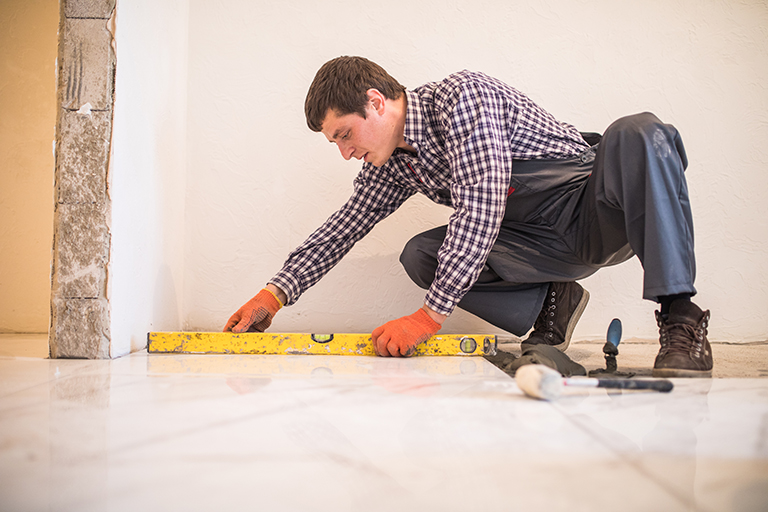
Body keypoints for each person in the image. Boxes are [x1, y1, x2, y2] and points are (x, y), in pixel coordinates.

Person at [224, 56, 713, 378]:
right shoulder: (392, 165)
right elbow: (343, 227)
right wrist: (274, 294)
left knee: (638, 131)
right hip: (538, 245)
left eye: (345, 135)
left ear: (375, 102)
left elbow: (482, 200)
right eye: (336, 143)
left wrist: (428, 317)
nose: (346, 153)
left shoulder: (461, 98)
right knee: (422, 254)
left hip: (596, 211)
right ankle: (553, 300)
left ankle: (681, 317)